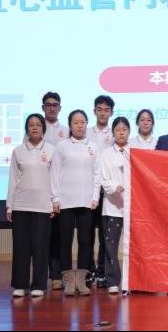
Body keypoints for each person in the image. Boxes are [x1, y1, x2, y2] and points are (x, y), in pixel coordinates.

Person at [50, 110, 101, 296]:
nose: (80, 125)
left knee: (85, 241)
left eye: (82, 122)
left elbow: (97, 173)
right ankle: (69, 282)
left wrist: (95, 197)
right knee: (65, 241)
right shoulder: (62, 146)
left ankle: (81, 281)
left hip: (86, 201)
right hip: (65, 201)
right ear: (70, 125)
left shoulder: (93, 147)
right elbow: (54, 173)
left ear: (87, 123)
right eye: (76, 122)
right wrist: (55, 198)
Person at [7, 114, 55, 298]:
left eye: (38, 125)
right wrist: (10, 205)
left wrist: (54, 201)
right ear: (26, 128)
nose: (34, 128)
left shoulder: (51, 150)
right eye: (31, 125)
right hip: (21, 204)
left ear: (43, 128)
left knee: (41, 247)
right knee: (21, 247)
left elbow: (55, 179)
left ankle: (39, 285)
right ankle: (20, 284)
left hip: (43, 205)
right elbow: (13, 179)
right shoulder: (18, 151)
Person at [100, 117, 131, 294]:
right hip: (112, 206)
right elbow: (103, 179)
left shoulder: (134, 152)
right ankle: (112, 281)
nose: (121, 132)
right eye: (118, 129)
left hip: (132, 207)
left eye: (124, 129)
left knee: (133, 246)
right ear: (113, 132)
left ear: (129, 132)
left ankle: (131, 280)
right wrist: (114, 187)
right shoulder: (106, 154)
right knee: (111, 246)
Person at [86, 95, 115, 288]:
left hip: (108, 193)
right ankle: (89, 271)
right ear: (94, 111)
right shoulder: (86, 132)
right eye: (99, 109)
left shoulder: (116, 133)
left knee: (106, 235)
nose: (103, 113)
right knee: (87, 234)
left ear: (111, 112)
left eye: (106, 110)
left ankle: (103, 272)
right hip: (88, 191)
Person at [40, 91, 68, 291]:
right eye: (48, 105)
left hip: (60, 189)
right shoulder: (35, 128)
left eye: (55, 105)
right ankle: (41, 276)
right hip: (40, 189)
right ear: (43, 107)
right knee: (42, 236)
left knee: (59, 234)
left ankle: (57, 275)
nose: (51, 108)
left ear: (60, 108)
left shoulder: (66, 131)